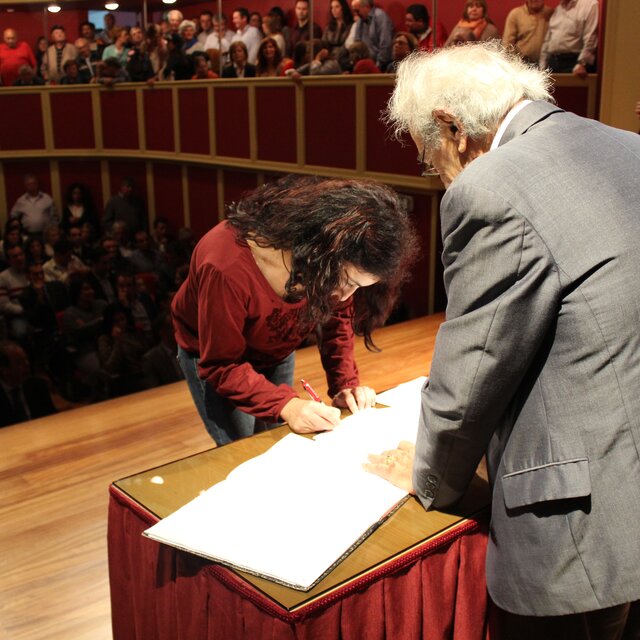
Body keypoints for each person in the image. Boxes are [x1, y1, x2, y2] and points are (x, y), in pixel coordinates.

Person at [366, 42, 640, 636]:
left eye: (428, 159)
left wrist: (427, 476)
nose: (437, 175)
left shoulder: (490, 187)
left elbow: (474, 369)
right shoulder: (628, 145)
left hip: (579, 536)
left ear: (452, 128)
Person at [172, 175, 417, 445]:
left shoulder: (329, 265)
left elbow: (336, 319)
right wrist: (287, 405)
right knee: (241, 449)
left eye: (358, 287)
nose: (346, 295)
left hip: (275, 348)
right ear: (321, 250)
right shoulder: (226, 267)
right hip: (217, 359)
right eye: (347, 281)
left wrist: (344, 384)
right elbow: (222, 365)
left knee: (277, 441)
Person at [0, 341, 56, 427]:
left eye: (26, 359)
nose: (27, 364)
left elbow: (52, 418)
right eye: (19, 362)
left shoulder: (38, 385)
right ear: (4, 369)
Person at [539, 0, 598, 78]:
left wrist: (582, 64)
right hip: (552, 63)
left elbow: (591, 37)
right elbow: (548, 40)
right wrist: (542, 67)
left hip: (572, 63)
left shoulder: (589, 4)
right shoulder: (559, 9)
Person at [502, 0, 553, 65]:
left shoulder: (550, 13)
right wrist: (513, 64)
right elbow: (507, 43)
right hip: (522, 64)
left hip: (546, 64)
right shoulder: (515, 14)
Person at [346, 0, 393, 70]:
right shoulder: (360, 21)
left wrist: (377, 66)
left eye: (357, 11)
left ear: (367, 7)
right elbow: (357, 44)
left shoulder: (380, 17)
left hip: (380, 65)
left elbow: (385, 45)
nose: (355, 14)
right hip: (364, 65)